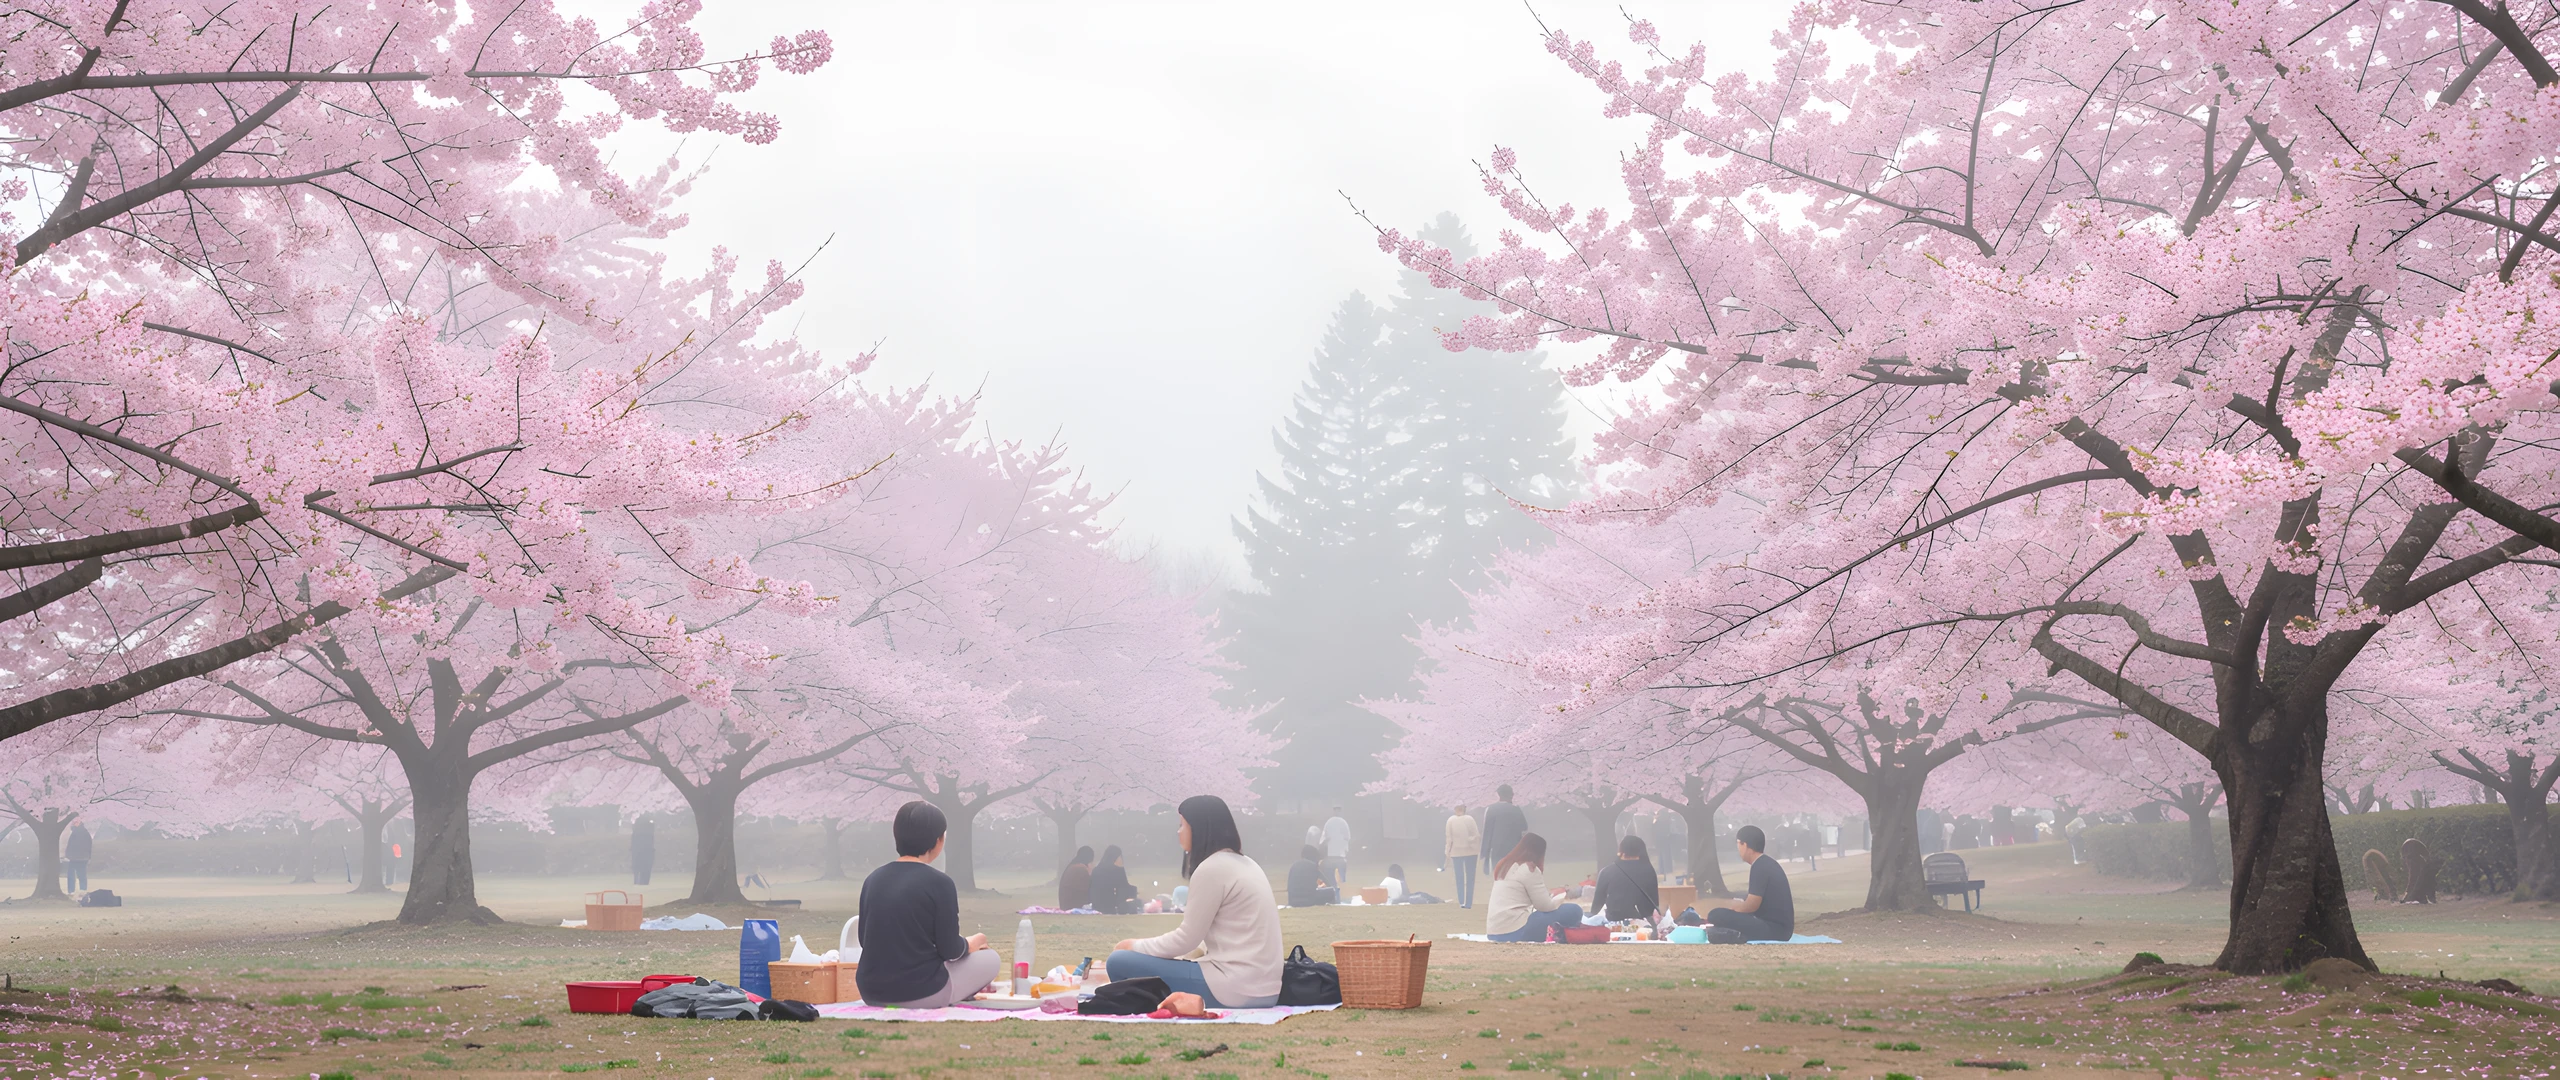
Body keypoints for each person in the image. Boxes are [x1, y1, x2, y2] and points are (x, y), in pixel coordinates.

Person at [1107, 796, 1282, 1009]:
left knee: (1119, 961)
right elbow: (1199, 942)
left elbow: (1185, 939)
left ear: (1199, 829)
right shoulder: (1247, 864)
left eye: (1182, 825)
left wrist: (1133, 945)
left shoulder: (1212, 868)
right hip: (1266, 990)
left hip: (1233, 989)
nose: (1178, 832)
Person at [854, 801, 1001, 1008]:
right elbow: (950, 950)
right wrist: (975, 942)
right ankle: (952, 993)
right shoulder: (940, 883)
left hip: (870, 991)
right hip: (921, 992)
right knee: (991, 958)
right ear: (938, 840)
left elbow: (864, 940)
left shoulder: (873, 879)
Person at [1484, 833, 1581, 943]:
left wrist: (1550, 895)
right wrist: (1561, 895)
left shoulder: (1504, 866)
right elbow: (1545, 906)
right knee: (1574, 910)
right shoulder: (1529, 869)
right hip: (1517, 931)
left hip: (1494, 932)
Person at [1706, 825, 1796, 943]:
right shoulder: (1765, 863)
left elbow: (1751, 906)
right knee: (1724, 916)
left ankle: (1735, 935)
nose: (1738, 848)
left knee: (1715, 914)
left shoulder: (1760, 866)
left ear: (1745, 844)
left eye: (1738, 844)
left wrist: (1735, 909)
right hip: (1779, 928)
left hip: (1775, 930)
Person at [1591, 835, 1661, 921]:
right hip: (1643, 922)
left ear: (1621, 850)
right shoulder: (1648, 870)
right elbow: (1654, 900)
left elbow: (1597, 903)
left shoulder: (1607, 871)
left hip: (1614, 921)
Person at [1480, 786, 1527, 881]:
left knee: (1498, 875)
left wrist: (1485, 852)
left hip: (1496, 848)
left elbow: (1487, 831)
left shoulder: (1491, 809)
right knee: (1512, 875)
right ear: (1511, 795)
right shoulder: (1516, 809)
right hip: (1513, 847)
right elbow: (1524, 826)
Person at [1445, 804, 1482, 909]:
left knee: (1459, 877)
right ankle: (1468, 902)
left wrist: (1447, 851)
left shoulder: (1450, 820)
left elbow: (1449, 839)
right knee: (1470, 877)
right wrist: (1470, 843)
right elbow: (1476, 835)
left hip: (1456, 852)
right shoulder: (1470, 819)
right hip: (1471, 852)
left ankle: (1462, 901)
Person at [1090, 845, 1139, 914]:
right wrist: (1121, 868)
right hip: (1110, 907)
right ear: (1117, 857)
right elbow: (1123, 889)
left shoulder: (1096, 869)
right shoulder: (1116, 870)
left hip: (1096, 906)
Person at [1320, 806, 1351, 885]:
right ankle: (1338, 882)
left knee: (1339, 872)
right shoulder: (1331, 822)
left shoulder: (1340, 822)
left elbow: (1347, 837)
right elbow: (1325, 836)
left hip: (1338, 853)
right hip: (1332, 853)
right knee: (1333, 872)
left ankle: (1341, 881)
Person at [1060, 845, 1095, 910]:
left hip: (1066, 904)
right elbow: (1088, 889)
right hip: (1074, 905)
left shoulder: (1072, 866)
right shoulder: (1080, 868)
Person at [63, 821, 92, 893]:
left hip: (75, 858)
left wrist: (68, 855)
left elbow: (71, 845)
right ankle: (82, 889)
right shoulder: (85, 832)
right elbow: (89, 845)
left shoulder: (76, 832)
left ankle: (71, 890)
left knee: (72, 875)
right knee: (81, 874)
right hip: (82, 857)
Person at [629, 816, 654, 887]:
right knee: (645, 867)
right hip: (646, 852)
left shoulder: (636, 833)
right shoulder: (649, 833)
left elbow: (633, 843)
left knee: (637, 867)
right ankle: (643, 881)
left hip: (638, 851)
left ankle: (637, 880)